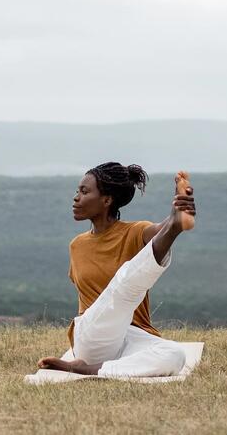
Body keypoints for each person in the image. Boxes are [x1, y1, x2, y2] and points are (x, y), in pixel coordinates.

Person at [35, 162, 196, 377]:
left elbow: (158, 232)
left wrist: (176, 213)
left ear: (107, 200)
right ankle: (175, 227)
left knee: (175, 355)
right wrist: (173, 222)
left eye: (84, 192)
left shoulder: (135, 231)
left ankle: (89, 370)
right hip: (93, 337)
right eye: (77, 191)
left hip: (132, 336)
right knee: (122, 284)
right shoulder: (77, 245)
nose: (76, 198)